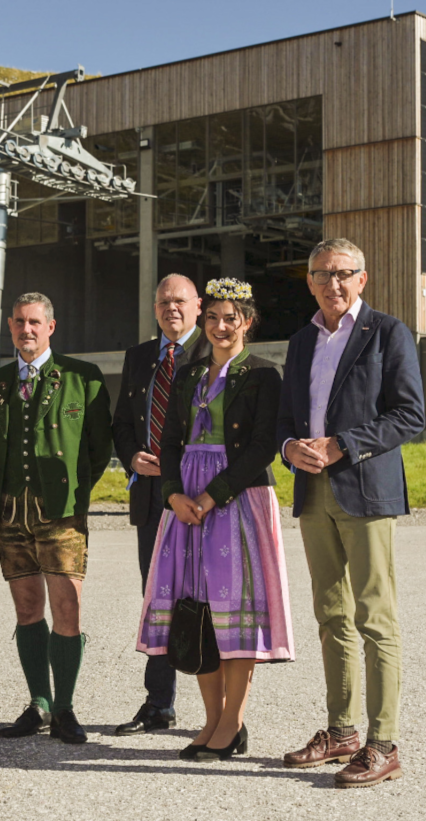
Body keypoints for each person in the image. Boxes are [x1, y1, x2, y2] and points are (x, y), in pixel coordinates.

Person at [275, 238, 424, 788]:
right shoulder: (300, 341)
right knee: (330, 615)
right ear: (310, 282)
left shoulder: (387, 333)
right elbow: (286, 418)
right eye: (321, 275)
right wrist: (289, 447)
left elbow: (410, 414)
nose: (332, 284)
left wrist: (344, 443)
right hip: (313, 494)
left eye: (343, 274)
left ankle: (383, 743)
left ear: (363, 278)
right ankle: (342, 732)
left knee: (375, 619)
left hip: (364, 491)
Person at [136, 278, 293, 762]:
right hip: (186, 500)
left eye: (232, 318)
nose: (221, 327)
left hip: (237, 497)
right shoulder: (188, 375)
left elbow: (264, 445)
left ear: (248, 322)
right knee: (196, 608)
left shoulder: (265, 375)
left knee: (234, 611)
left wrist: (212, 495)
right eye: (213, 318)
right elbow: (166, 443)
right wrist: (173, 494)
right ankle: (210, 718)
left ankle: (233, 721)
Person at [0, 292, 113, 745]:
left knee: (67, 608)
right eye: (19, 322)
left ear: (51, 327)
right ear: (10, 327)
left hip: (61, 512)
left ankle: (65, 707)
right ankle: (38, 701)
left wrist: (73, 492)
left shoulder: (84, 378)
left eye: (35, 322)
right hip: (10, 512)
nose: (27, 329)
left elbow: (99, 450)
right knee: (25, 608)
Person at [111, 273, 209, 736]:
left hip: (199, 498)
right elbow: (122, 425)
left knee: (211, 599)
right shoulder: (139, 358)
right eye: (164, 301)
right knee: (157, 601)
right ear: (155, 309)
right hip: (150, 501)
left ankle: (222, 709)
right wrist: (131, 455)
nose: (172, 308)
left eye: (180, 301)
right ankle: (158, 703)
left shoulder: (214, 352)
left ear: (198, 306)